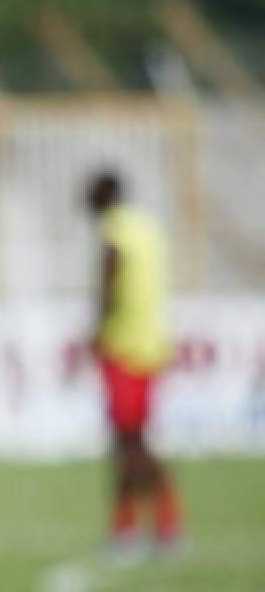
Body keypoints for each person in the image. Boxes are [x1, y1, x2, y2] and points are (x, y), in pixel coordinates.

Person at [86, 170, 183, 560]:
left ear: (103, 195)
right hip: (152, 344)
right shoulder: (148, 228)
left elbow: (109, 287)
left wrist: (97, 330)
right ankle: (127, 527)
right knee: (131, 443)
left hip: (124, 347)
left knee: (131, 444)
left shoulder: (115, 232)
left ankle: (164, 524)